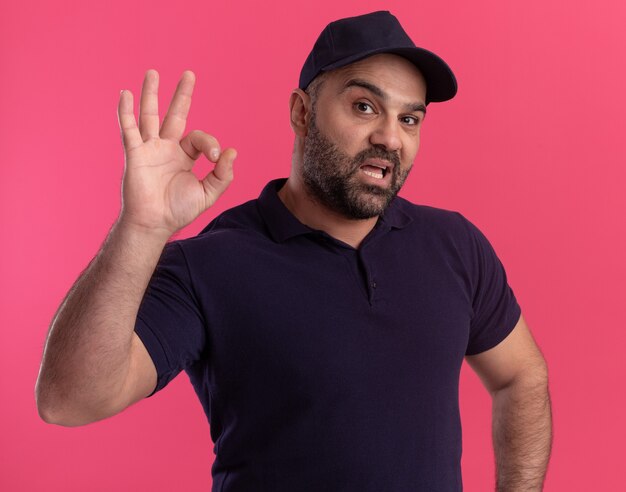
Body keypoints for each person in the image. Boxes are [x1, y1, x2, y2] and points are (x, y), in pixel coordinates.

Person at [36, 10, 552, 492]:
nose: (390, 138)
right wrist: (142, 227)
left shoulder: (455, 245)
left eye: (410, 119)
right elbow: (69, 399)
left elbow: (520, 376)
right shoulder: (211, 264)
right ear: (302, 112)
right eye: (364, 107)